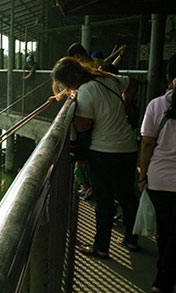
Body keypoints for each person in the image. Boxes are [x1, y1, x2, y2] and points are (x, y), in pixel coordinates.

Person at [50, 57, 139, 258]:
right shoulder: (107, 79)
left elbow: (83, 126)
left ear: (70, 79)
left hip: (103, 152)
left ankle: (101, 247)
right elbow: (133, 83)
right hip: (128, 148)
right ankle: (131, 240)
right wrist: (123, 105)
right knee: (127, 196)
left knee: (104, 200)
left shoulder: (86, 91)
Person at [138, 53, 176, 293]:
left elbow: (146, 144)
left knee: (166, 233)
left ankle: (162, 281)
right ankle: (163, 284)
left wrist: (142, 177)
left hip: (159, 180)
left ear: (168, 77)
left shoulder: (156, 105)